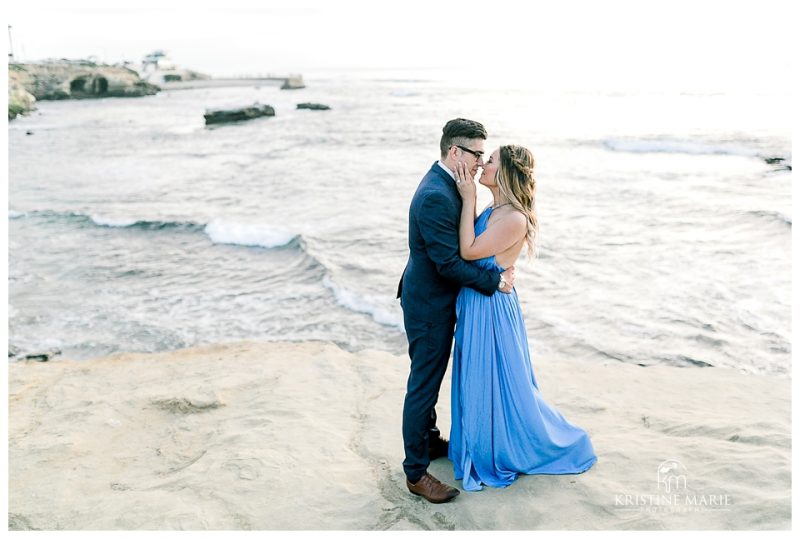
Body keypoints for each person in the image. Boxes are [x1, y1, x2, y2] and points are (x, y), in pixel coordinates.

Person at [449, 145, 597, 491]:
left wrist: (467, 195)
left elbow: (468, 251)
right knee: (476, 376)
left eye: (491, 161)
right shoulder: (495, 208)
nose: (483, 164)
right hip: (478, 300)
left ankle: (508, 446)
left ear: (507, 172)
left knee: (498, 380)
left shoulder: (514, 217)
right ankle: (478, 439)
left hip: (491, 310)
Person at [397, 119, 517, 503]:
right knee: (424, 384)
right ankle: (416, 473)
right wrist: (494, 282)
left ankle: (430, 441)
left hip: (432, 297)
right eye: (477, 154)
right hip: (430, 303)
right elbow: (449, 263)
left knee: (428, 377)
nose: (482, 163)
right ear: (455, 152)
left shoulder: (452, 185)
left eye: (485, 155)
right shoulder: (437, 194)